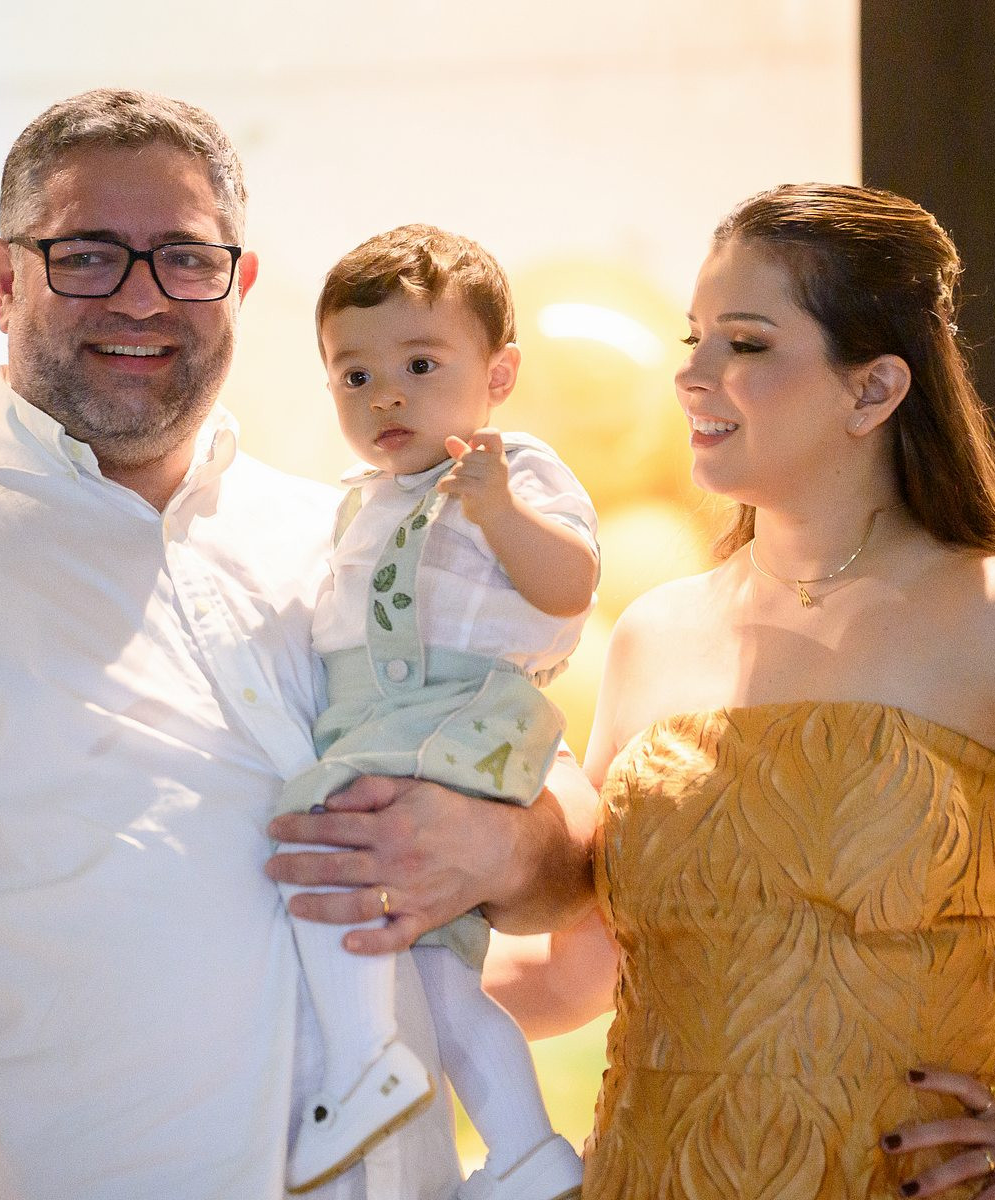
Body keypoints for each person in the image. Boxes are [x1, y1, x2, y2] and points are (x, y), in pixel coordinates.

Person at [0, 88, 590, 1200]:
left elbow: (571, 847)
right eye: (88, 255)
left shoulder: (352, 535)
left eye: (186, 259)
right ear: (4, 280)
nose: (142, 297)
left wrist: (500, 849)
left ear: (239, 284)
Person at [483, 183, 995, 1198]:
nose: (690, 373)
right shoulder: (654, 635)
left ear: (872, 391)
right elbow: (577, 972)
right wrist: (335, 984)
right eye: (694, 338)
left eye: (745, 342)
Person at [275, 226, 594, 1200]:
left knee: (318, 861)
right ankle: (526, 1154)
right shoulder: (351, 503)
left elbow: (572, 584)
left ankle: (375, 1078)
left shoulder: (511, 469)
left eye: (419, 365)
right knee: (437, 980)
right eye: (354, 376)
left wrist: (500, 511)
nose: (386, 396)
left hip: (450, 719)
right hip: (381, 725)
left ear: (498, 375)